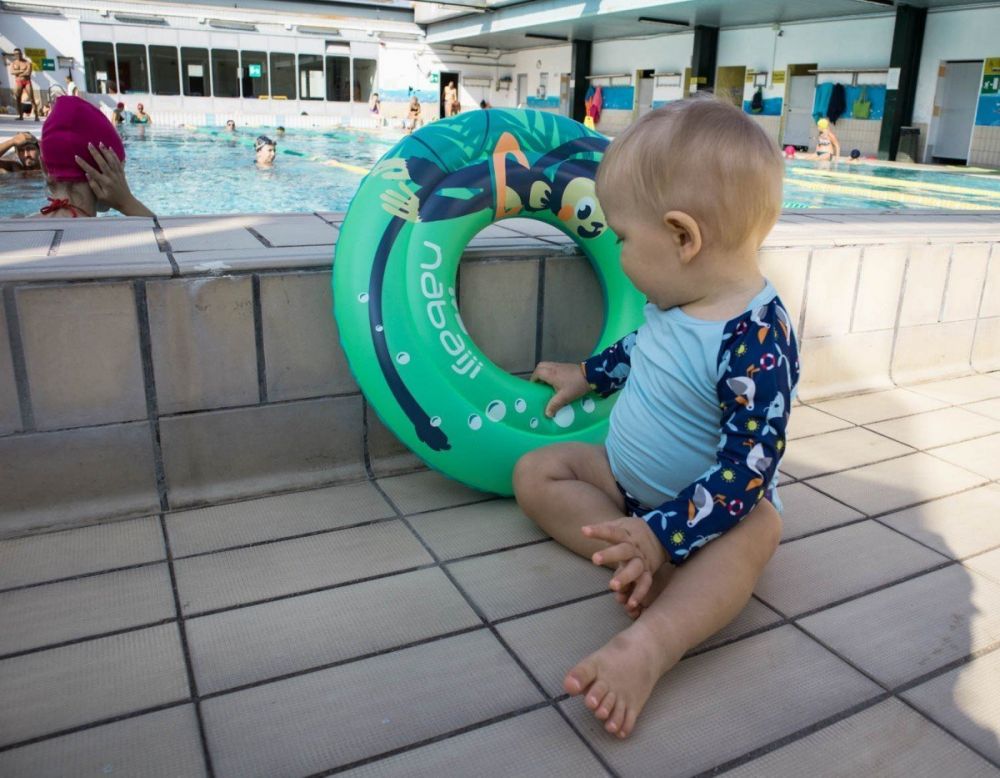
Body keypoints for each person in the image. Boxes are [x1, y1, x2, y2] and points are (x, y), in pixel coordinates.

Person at [514, 96, 799, 740]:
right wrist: (586, 374)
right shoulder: (677, 296)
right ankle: (643, 558)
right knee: (536, 472)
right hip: (626, 481)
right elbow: (642, 349)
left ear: (681, 237)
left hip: (715, 515)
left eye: (623, 238)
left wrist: (668, 531)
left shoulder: (755, 340)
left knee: (759, 534)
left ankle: (652, 643)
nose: (617, 253)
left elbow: (745, 475)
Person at [34, 95, 153, 217]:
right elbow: (163, 233)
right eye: (121, 169)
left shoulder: (17, 227)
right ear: (111, 173)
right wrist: (128, 203)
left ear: (43, 166)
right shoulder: (114, 233)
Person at [7, 47, 37, 121]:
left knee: (32, 99)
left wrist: (18, 72)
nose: (17, 55)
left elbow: (28, 73)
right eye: (15, 54)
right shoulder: (13, 63)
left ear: (21, 54)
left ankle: (36, 116)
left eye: (18, 53)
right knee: (18, 99)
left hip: (27, 82)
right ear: (14, 55)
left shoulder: (27, 63)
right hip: (18, 82)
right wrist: (22, 71)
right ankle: (21, 116)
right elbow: (12, 72)